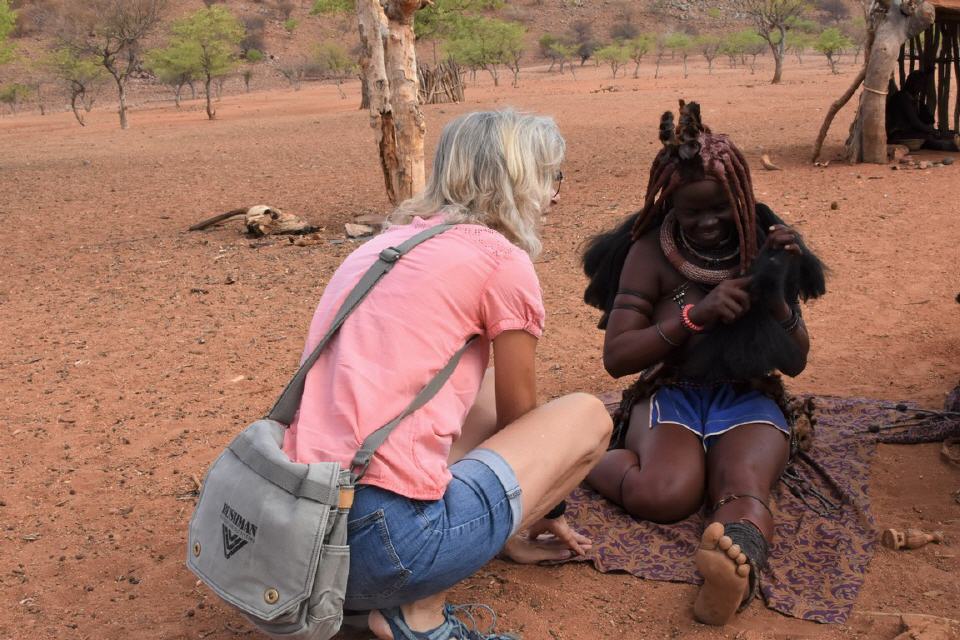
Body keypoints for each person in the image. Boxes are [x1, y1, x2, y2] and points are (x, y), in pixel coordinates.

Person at [283, 109, 612, 640]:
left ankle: (375, 597)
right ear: (517, 177)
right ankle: (417, 616)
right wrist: (541, 504)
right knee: (587, 416)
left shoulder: (380, 249)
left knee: (473, 380)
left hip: (302, 546)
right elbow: (523, 422)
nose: (557, 193)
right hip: (387, 552)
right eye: (552, 175)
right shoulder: (501, 262)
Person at [581, 101, 825, 627]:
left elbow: (797, 361)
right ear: (669, 204)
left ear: (740, 197)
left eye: (719, 207)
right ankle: (578, 455)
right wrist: (696, 316)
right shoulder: (648, 252)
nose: (709, 222)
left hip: (749, 393)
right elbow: (618, 358)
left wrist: (776, 294)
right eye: (692, 211)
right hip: (672, 392)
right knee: (664, 494)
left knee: (740, 483)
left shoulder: (765, 243)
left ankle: (734, 571)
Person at [886, 70, 959, 151]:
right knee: (929, 138)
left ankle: (951, 145)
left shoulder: (913, 99)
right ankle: (953, 146)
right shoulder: (902, 98)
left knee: (933, 136)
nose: (921, 87)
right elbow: (915, 122)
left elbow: (927, 119)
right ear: (911, 83)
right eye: (919, 84)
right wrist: (931, 130)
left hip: (907, 132)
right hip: (898, 135)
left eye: (922, 85)